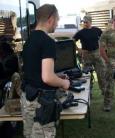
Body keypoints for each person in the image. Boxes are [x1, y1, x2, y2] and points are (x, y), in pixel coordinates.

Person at [21, 4, 70, 138]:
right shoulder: (47, 42)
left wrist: (57, 76)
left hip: (27, 98)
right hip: (41, 103)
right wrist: (63, 83)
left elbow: (34, 70)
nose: (57, 23)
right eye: (57, 20)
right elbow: (47, 78)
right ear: (51, 19)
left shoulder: (29, 40)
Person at [73, 15, 105, 96]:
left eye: (86, 22)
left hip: (97, 54)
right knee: (87, 75)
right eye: (84, 22)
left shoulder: (96, 30)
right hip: (87, 55)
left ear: (90, 22)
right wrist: (78, 50)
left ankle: (104, 91)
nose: (85, 23)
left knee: (101, 73)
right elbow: (72, 41)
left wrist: (103, 47)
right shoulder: (81, 32)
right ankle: (88, 93)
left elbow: (104, 38)